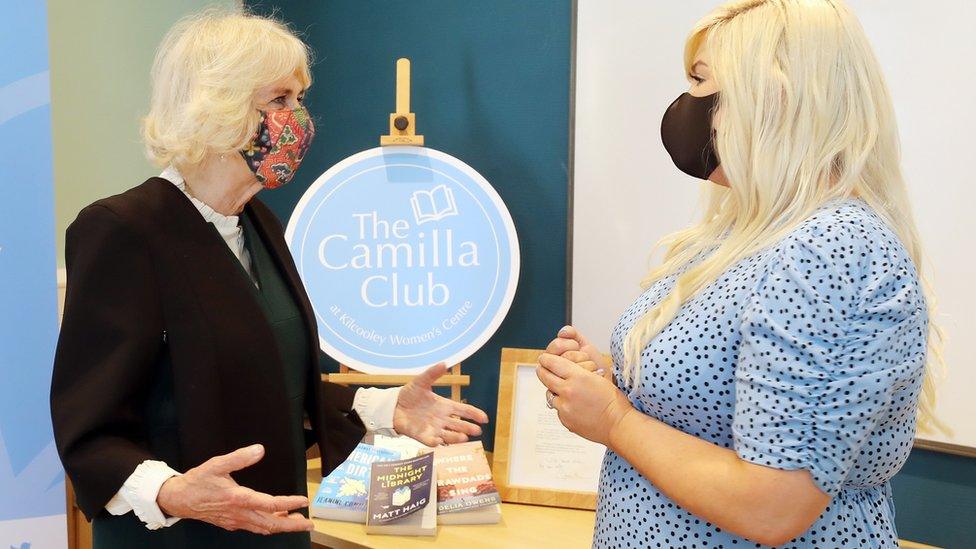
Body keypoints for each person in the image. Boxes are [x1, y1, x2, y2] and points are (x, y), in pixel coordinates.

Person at [50, 9, 487, 548]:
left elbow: (268, 384)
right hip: (180, 539)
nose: (299, 120)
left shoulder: (256, 222)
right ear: (217, 108)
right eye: (279, 100)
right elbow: (89, 433)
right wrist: (173, 492)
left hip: (274, 532)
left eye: (299, 100)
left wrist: (384, 407)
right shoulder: (122, 230)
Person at [537, 1, 943, 547]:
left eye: (702, 82)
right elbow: (726, 387)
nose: (687, 104)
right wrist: (615, 374)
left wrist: (613, 421)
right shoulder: (744, 233)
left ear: (773, 96)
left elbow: (774, 505)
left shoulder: (831, 249)